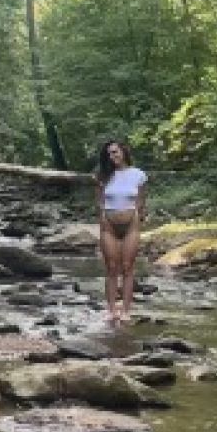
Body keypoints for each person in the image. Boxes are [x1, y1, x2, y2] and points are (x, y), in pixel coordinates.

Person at [94, 139, 148, 325]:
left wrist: (139, 218)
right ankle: (111, 310)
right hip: (108, 224)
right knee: (111, 267)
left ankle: (125, 311)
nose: (112, 156)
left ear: (124, 151)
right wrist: (101, 218)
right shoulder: (103, 176)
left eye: (115, 152)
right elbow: (100, 201)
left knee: (127, 267)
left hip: (131, 224)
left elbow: (141, 201)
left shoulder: (138, 175)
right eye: (109, 154)